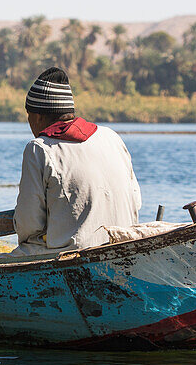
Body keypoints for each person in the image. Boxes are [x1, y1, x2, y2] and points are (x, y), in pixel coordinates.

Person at [12, 67, 142, 256]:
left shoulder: (39, 149)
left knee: (26, 248)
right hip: (125, 247)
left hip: (74, 254)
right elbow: (136, 202)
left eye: (29, 116)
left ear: (38, 116)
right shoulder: (111, 136)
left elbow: (29, 224)